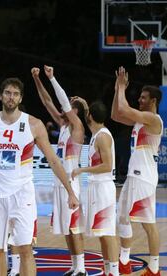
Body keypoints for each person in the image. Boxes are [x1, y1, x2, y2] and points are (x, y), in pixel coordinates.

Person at [0, 77, 79, 276]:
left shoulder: (34, 124)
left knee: (25, 249)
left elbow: (54, 160)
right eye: (7, 93)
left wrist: (70, 191)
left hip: (22, 195)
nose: (11, 97)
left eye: (15, 94)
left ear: (20, 98)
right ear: (1, 96)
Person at [31, 66, 86, 276]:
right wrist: (37, 79)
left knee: (74, 227)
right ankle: (74, 266)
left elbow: (61, 101)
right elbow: (47, 102)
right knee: (66, 228)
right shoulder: (64, 126)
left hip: (72, 183)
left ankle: (81, 268)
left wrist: (52, 78)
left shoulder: (77, 126)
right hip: (60, 182)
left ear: (76, 111)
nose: (66, 107)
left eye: (71, 105)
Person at [111, 66, 163, 276]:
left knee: (148, 224)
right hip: (136, 175)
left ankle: (154, 268)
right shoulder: (141, 120)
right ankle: (124, 261)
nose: (139, 100)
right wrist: (117, 89)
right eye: (139, 97)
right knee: (122, 217)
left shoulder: (153, 119)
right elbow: (116, 114)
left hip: (144, 177)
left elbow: (125, 110)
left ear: (153, 101)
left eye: (143, 98)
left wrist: (123, 86)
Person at [71, 97, 119, 276]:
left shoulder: (103, 137)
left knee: (107, 234)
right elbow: (87, 117)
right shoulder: (96, 132)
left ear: (91, 116)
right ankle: (108, 270)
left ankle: (114, 272)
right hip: (96, 188)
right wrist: (84, 104)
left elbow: (107, 165)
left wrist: (82, 169)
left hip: (103, 188)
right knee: (102, 234)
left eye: (87, 113)